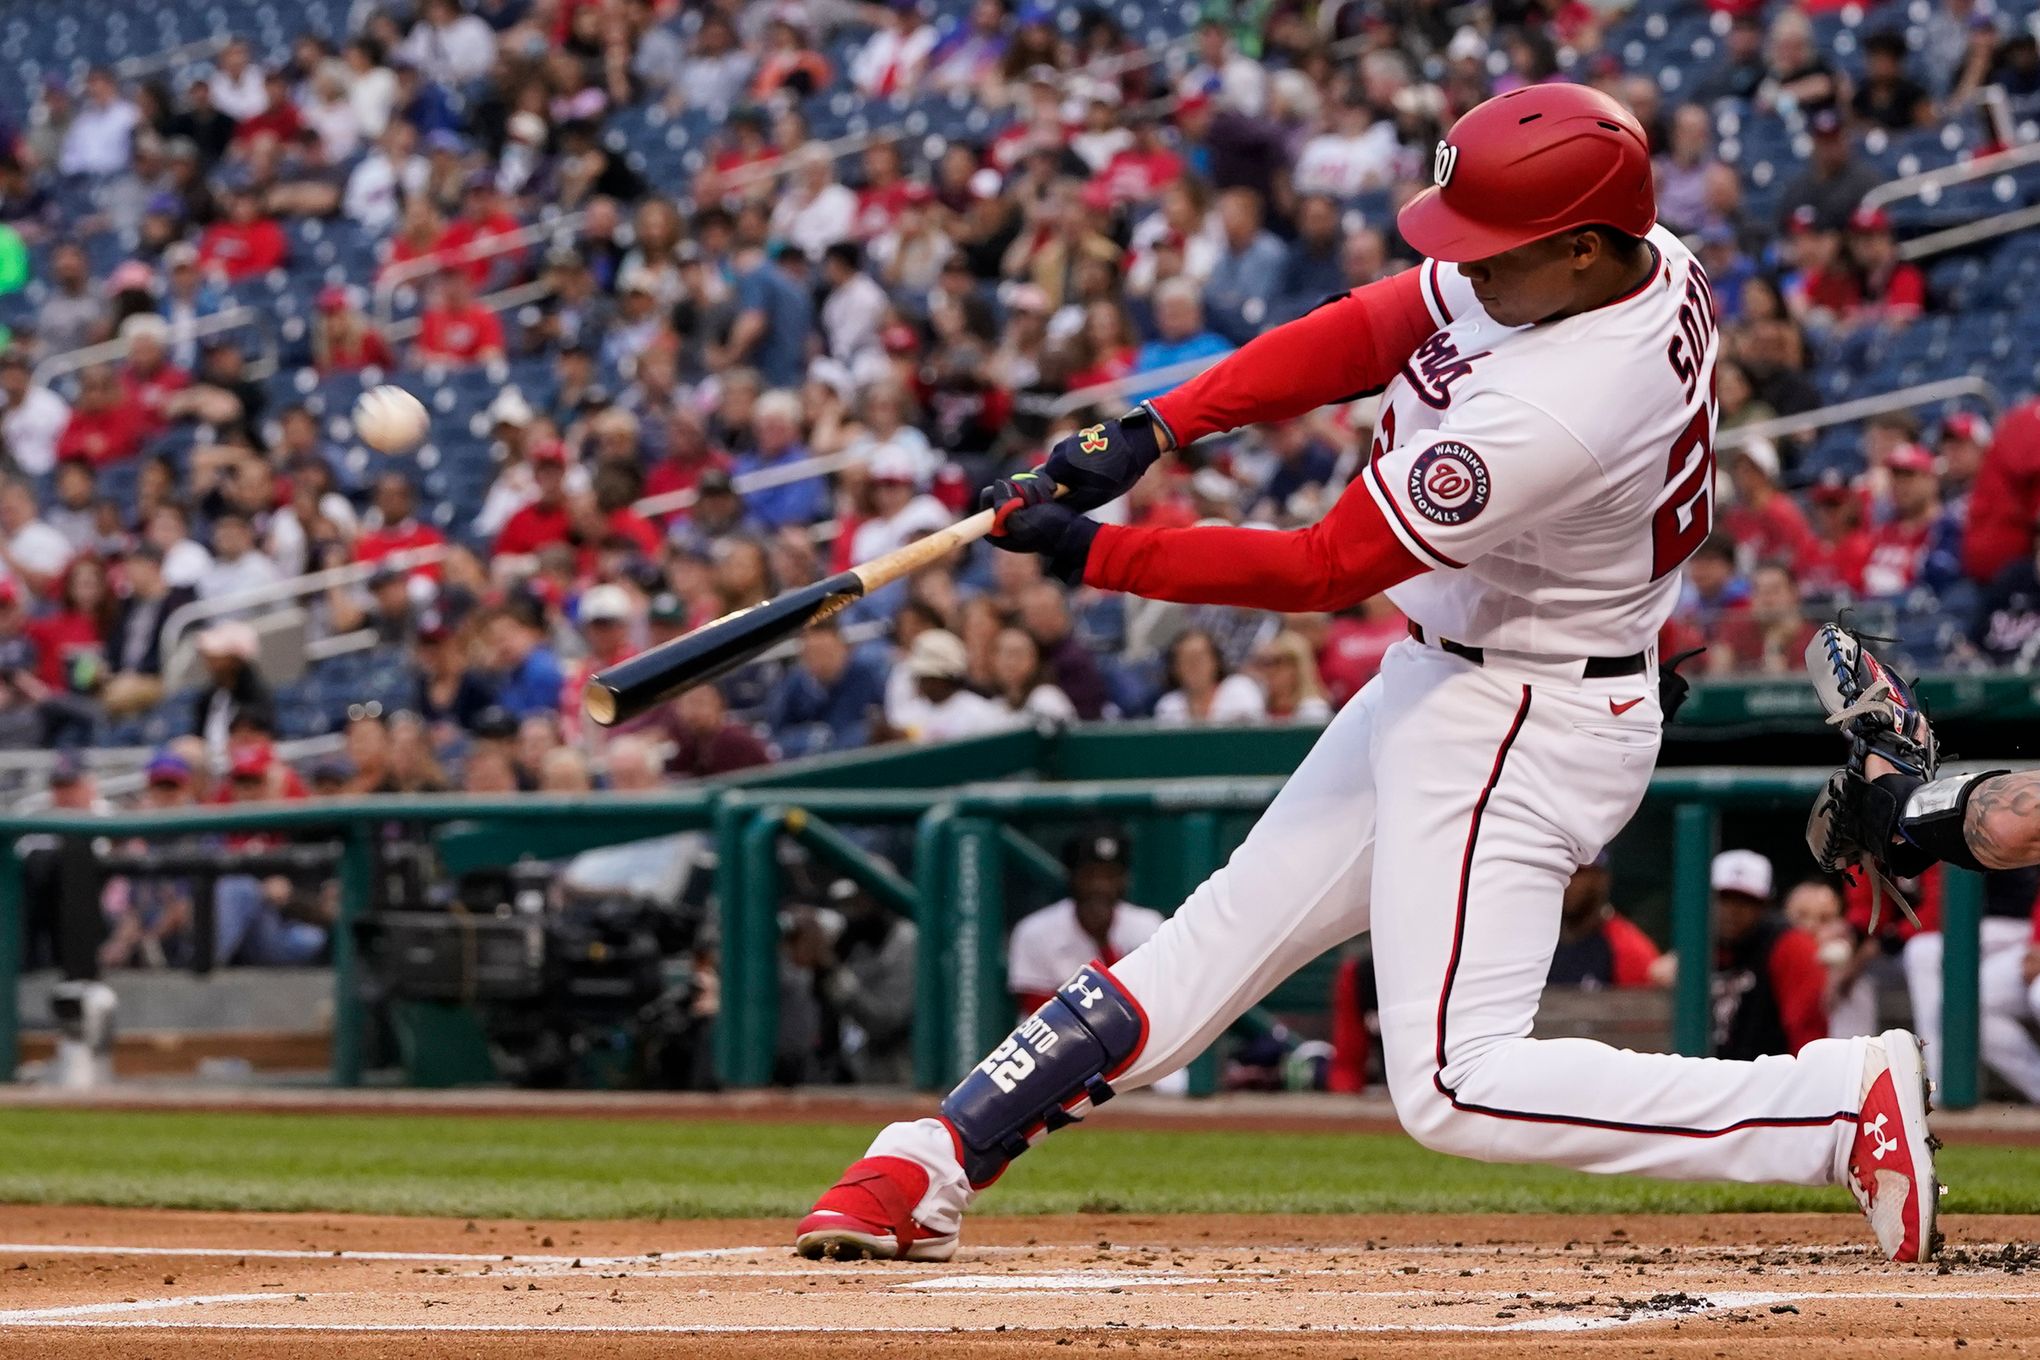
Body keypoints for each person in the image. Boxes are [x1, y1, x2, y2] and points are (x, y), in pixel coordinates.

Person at [797, 86, 1939, 1269]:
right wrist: (1155, 427)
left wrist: (1094, 553)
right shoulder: (1623, 251)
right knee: (1217, 938)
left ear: (1585, 248)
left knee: (1454, 1083)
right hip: (1455, 673)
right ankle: (934, 1155)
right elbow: (1374, 324)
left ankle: (1833, 1106)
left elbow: (1321, 568)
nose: (1467, 267)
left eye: (1494, 250)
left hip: (1523, 709)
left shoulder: (1564, 403)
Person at [1006, 826, 1164, 1015]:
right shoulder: (1035, 931)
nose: (1100, 886)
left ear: (1125, 879)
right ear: (1071, 877)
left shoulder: (1147, 926)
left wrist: (1104, 944)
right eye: (1090, 874)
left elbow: (1151, 1002)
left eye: (1110, 875)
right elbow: (1037, 1012)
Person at [1709, 850, 1828, 1060]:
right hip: (1706, 1075)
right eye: (1724, 898)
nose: (1732, 910)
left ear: (1765, 905)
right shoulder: (1697, 944)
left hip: (1770, 1077)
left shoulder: (1788, 945)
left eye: (1745, 901)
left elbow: (1806, 1029)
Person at [811, 877, 920, 1086]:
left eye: (858, 901)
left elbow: (886, 1022)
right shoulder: (855, 943)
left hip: (899, 1071)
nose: (851, 912)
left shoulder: (908, 941)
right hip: (853, 1068)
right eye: (845, 904)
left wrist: (832, 970)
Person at [1547, 855, 1665, 989]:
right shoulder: (1537, 936)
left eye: (1578, 873)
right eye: (1560, 874)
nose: (1567, 882)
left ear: (1601, 879)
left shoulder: (1628, 949)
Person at [1154, 627, 1265, 725]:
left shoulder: (1240, 689)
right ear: (1175, 668)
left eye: (1200, 658)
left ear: (1215, 661)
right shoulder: (1168, 706)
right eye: (1185, 660)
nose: (1194, 665)